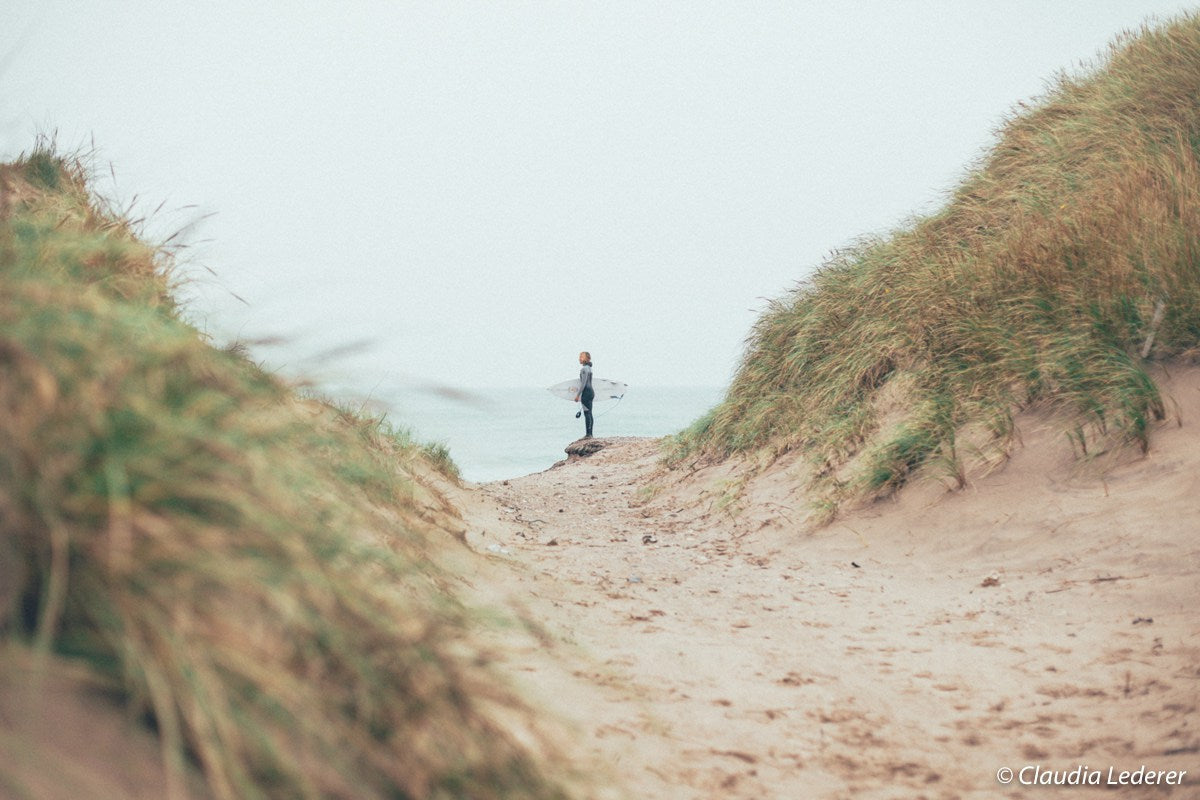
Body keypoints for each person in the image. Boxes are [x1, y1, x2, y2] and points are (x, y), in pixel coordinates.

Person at [574, 351, 594, 438]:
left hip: (586, 393)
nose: (579, 358)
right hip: (591, 392)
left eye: (581, 357)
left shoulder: (584, 369)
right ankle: (590, 434)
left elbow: (583, 384)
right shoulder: (590, 368)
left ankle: (588, 434)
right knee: (589, 413)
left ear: (587, 358)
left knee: (587, 413)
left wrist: (578, 395)